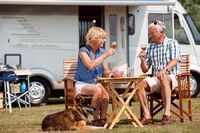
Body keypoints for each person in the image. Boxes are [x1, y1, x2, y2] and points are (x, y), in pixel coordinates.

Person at [136, 20, 181, 125]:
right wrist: (142, 60)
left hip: (171, 77)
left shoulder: (172, 43)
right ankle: (147, 115)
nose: (151, 35)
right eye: (150, 33)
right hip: (156, 78)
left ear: (162, 32)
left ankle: (167, 114)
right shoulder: (151, 46)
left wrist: (164, 70)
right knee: (139, 85)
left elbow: (175, 60)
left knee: (164, 78)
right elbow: (145, 69)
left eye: (153, 33)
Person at [74, 26, 118, 127]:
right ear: (95, 38)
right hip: (81, 83)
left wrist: (112, 74)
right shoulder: (83, 51)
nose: (104, 40)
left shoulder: (101, 51)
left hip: (95, 84)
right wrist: (105, 55)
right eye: (102, 38)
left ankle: (102, 119)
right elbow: (90, 66)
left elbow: (106, 71)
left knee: (106, 91)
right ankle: (94, 118)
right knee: (97, 90)